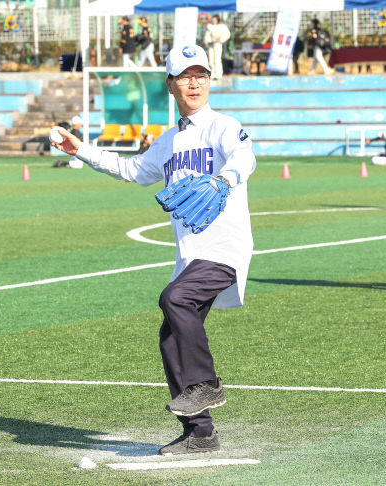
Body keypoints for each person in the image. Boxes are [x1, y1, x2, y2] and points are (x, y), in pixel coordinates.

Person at [50, 45, 256, 455]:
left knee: (174, 298)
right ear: (170, 85)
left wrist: (224, 181)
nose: (194, 83)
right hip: (191, 254)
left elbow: (244, 157)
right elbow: (131, 170)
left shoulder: (223, 126)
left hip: (225, 246)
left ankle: (207, 386)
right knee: (170, 337)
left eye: (201, 75)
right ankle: (201, 433)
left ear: (210, 81)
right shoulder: (168, 142)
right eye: (185, 76)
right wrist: (82, 150)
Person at [205, 15, 231, 80]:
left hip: (218, 44)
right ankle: (212, 73)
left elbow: (227, 35)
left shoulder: (222, 27)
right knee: (211, 60)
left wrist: (220, 39)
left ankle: (218, 74)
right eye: (213, 19)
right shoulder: (209, 27)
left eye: (215, 20)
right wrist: (207, 42)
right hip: (211, 45)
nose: (213, 21)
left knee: (217, 59)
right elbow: (206, 36)